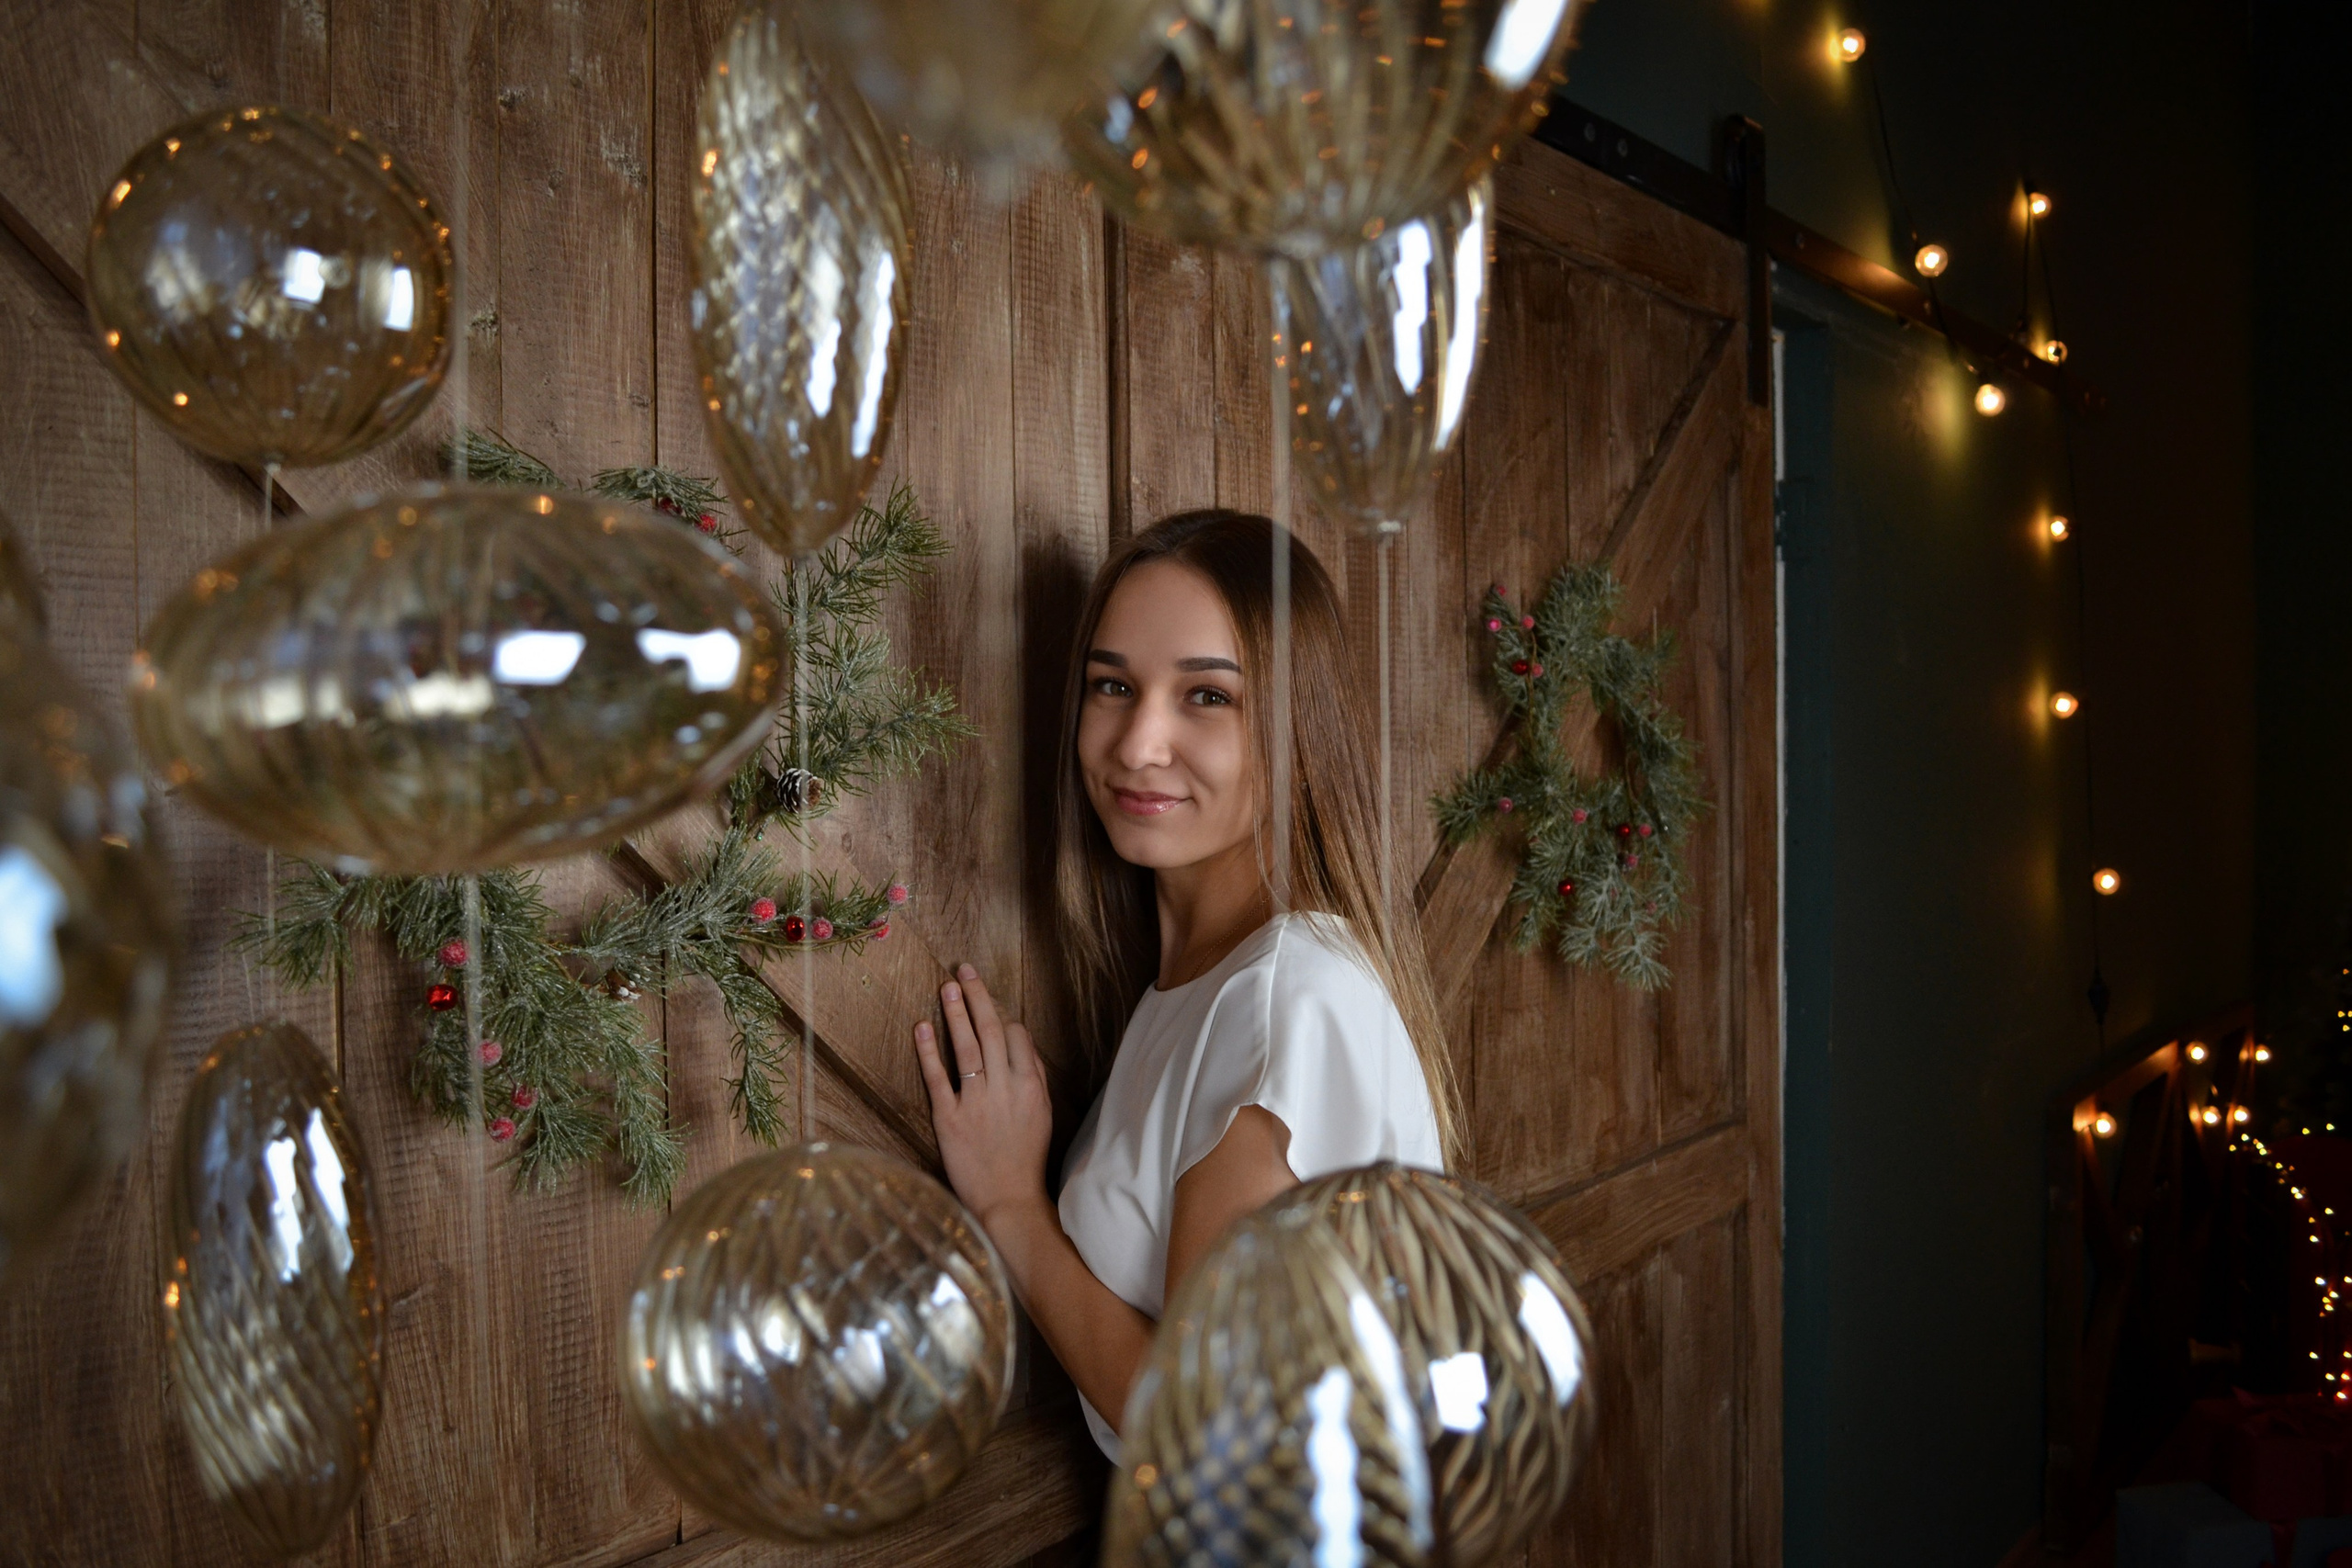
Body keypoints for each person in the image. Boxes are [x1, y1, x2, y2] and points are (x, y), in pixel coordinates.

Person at [910, 509, 1460, 1458]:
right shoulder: (1209, 983)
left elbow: (1202, 1430)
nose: (1135, 743)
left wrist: (1010, 1205)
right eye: (1112, 685)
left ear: (1296, 728)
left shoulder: (1284, 1002)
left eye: (1206, 696)